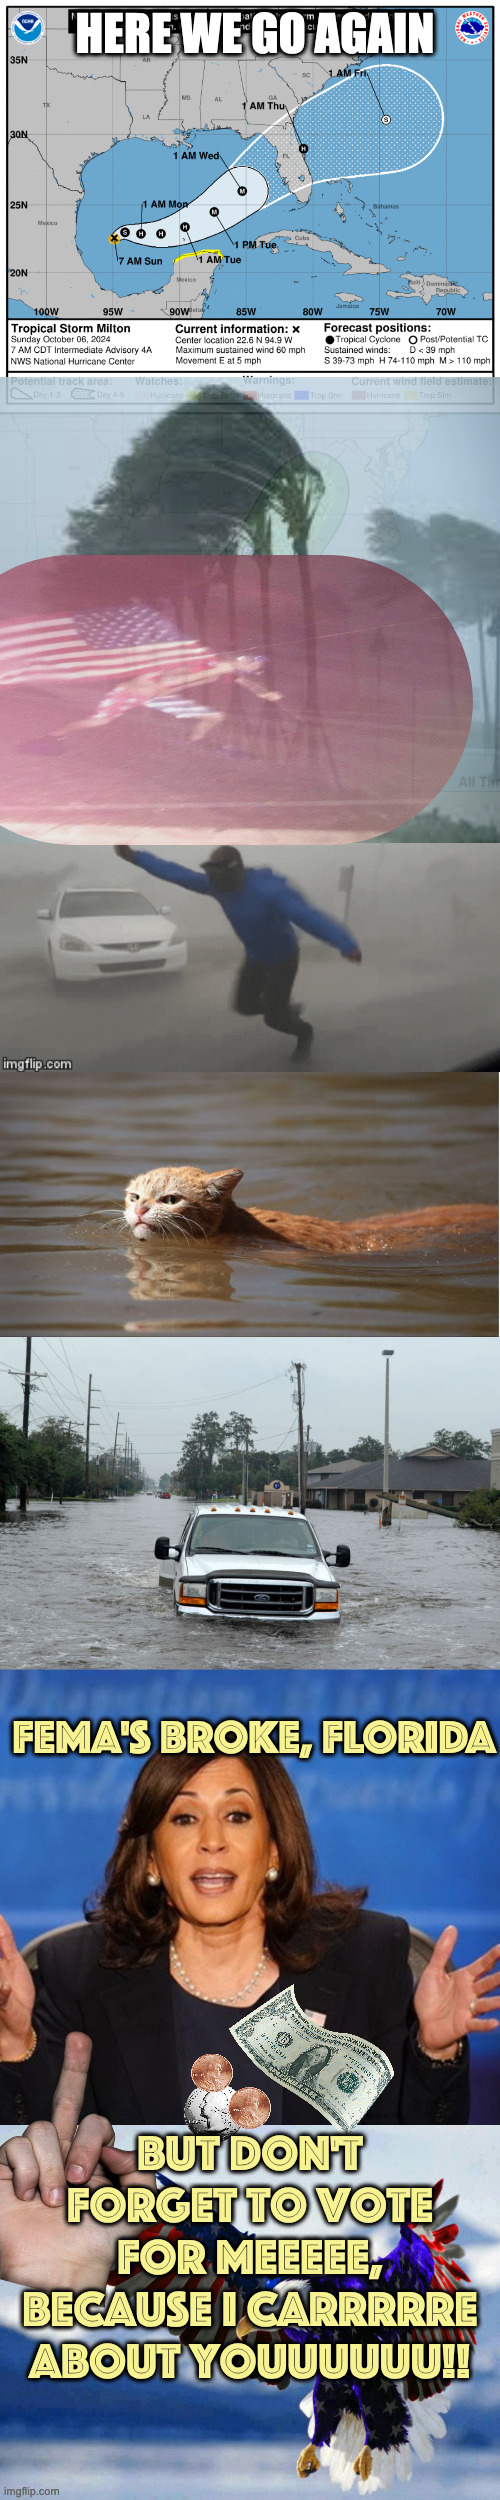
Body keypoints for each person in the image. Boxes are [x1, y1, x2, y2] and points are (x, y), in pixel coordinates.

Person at [1, 1756, 497, 2129]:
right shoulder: (80, 1972)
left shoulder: (368, 1955)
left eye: (237, 1816)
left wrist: (436, 2051)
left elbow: (419, 2169)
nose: (212, 1840)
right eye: (184, 1818)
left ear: (274, 1849)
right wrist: (13, 2044)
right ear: (151, 1860)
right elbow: (48, 2171)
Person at [114, 844, 362, 1066]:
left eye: (220, 877)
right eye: (212, 877)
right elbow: (175, 873)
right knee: (244, 1006)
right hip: (255, 956)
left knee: (274, 1020)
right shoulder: (217, 885)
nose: (216, 884)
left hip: (283, 958)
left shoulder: (270, 891)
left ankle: (304, 1033)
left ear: (236, 871)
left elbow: (308, 917)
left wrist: (345, 943)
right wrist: (135, 856)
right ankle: (284, 1007)